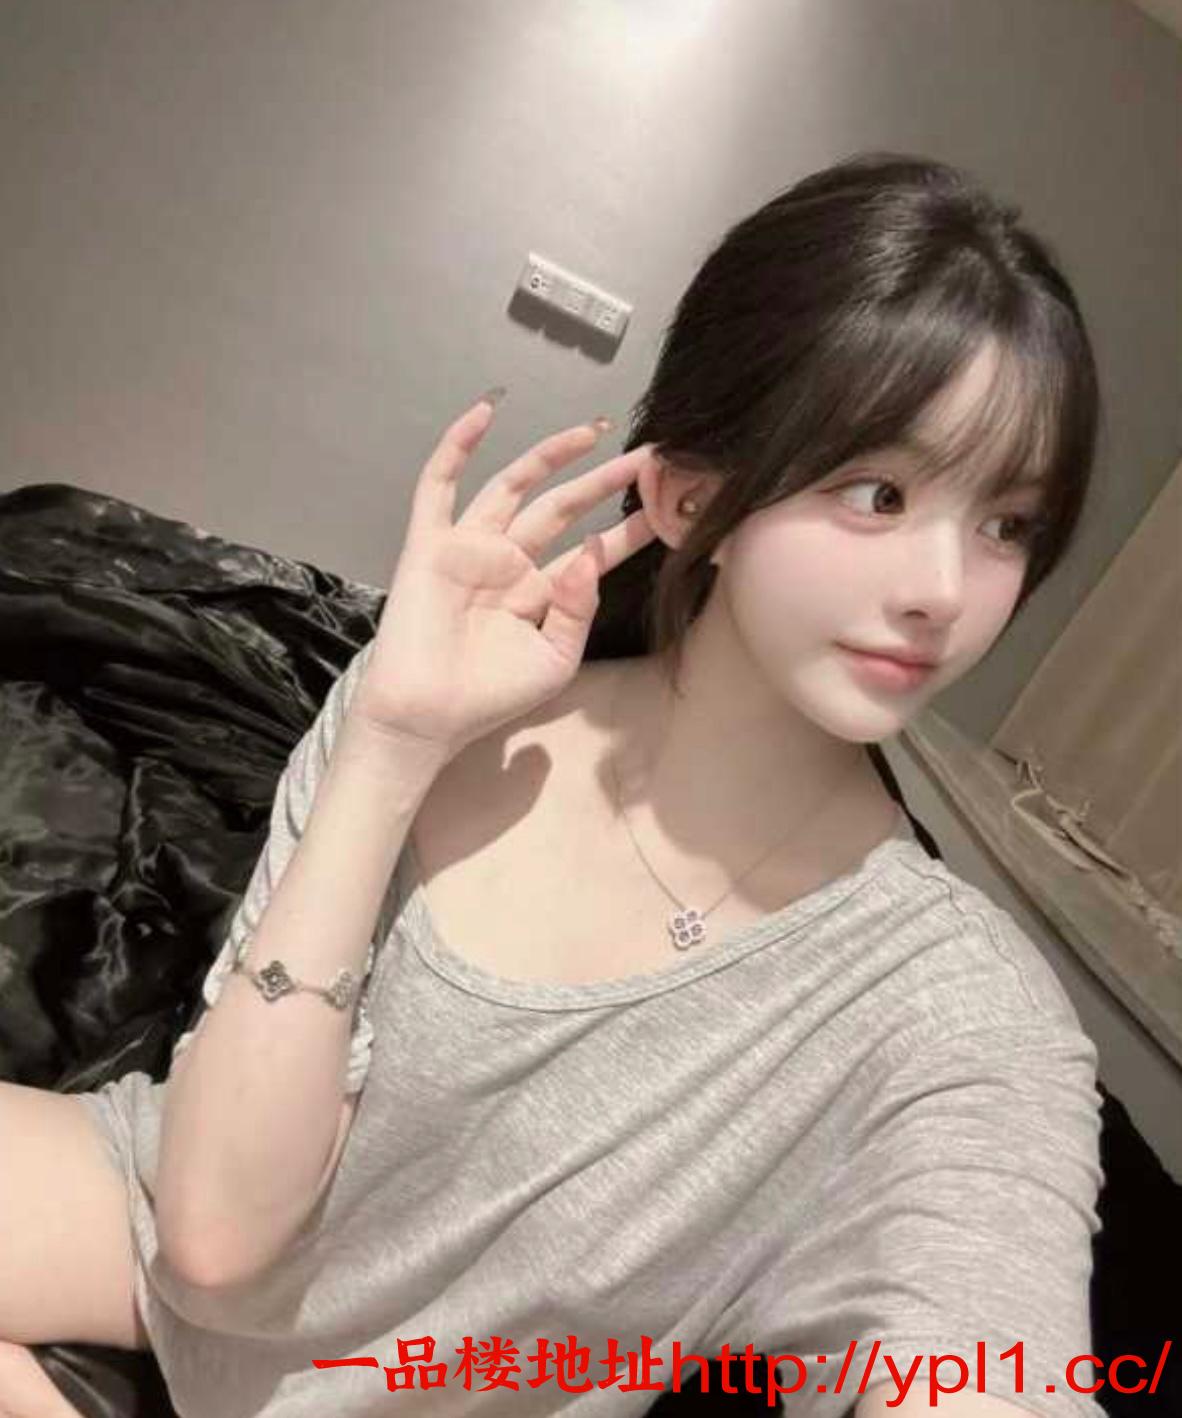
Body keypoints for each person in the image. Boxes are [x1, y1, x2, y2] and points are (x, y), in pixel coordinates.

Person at [1, 151, 1105, 1418]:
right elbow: (211, 1236)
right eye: (883, 492)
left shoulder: (957, 1013)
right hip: (165, 1198)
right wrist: (388, 741)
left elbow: (994, 1356)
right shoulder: (457, 712)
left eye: (1007, 523)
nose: (946, 592)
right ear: (694, 495)